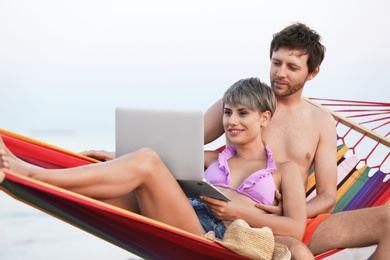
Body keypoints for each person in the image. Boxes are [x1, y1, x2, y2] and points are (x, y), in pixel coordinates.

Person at [0, 78, 308, 252]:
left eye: (243, 113)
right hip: (184, 216)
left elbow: (296, 227)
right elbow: (160, 161)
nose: (231, 121)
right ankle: (26, 177)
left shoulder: (285, 169)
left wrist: (238, 212)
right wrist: (115, 154)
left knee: (147, 159)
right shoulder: (212, 159)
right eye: (228, 112)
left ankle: (31, 173)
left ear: (264, 118)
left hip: (214, 235)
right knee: (96, 193)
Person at [203, 23, 390, 259]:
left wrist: (287, 212)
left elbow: (327, 197)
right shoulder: (242, 106)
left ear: (312, 72)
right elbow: (188, 142)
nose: (280, 73)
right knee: (297, 252)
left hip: (296, 222)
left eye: (292, 67)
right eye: (276, 63)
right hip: (241, 215)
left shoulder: (321, 121)